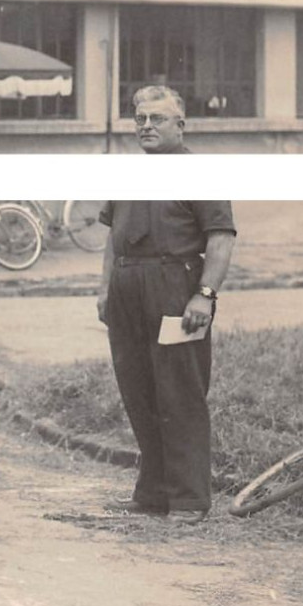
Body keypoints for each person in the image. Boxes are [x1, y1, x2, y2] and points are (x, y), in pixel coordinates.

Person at [95, 85, 235, 523]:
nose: (147, 126)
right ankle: (153, 492)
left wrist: (205, 295)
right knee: (138, 390)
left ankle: (190, 497)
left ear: (180, 125)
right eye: (140, 119)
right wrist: (104, 289)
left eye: (157, 118)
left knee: (179, 392)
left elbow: (220, 239)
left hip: (175, 286)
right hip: (127, 286)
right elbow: (111, 237)